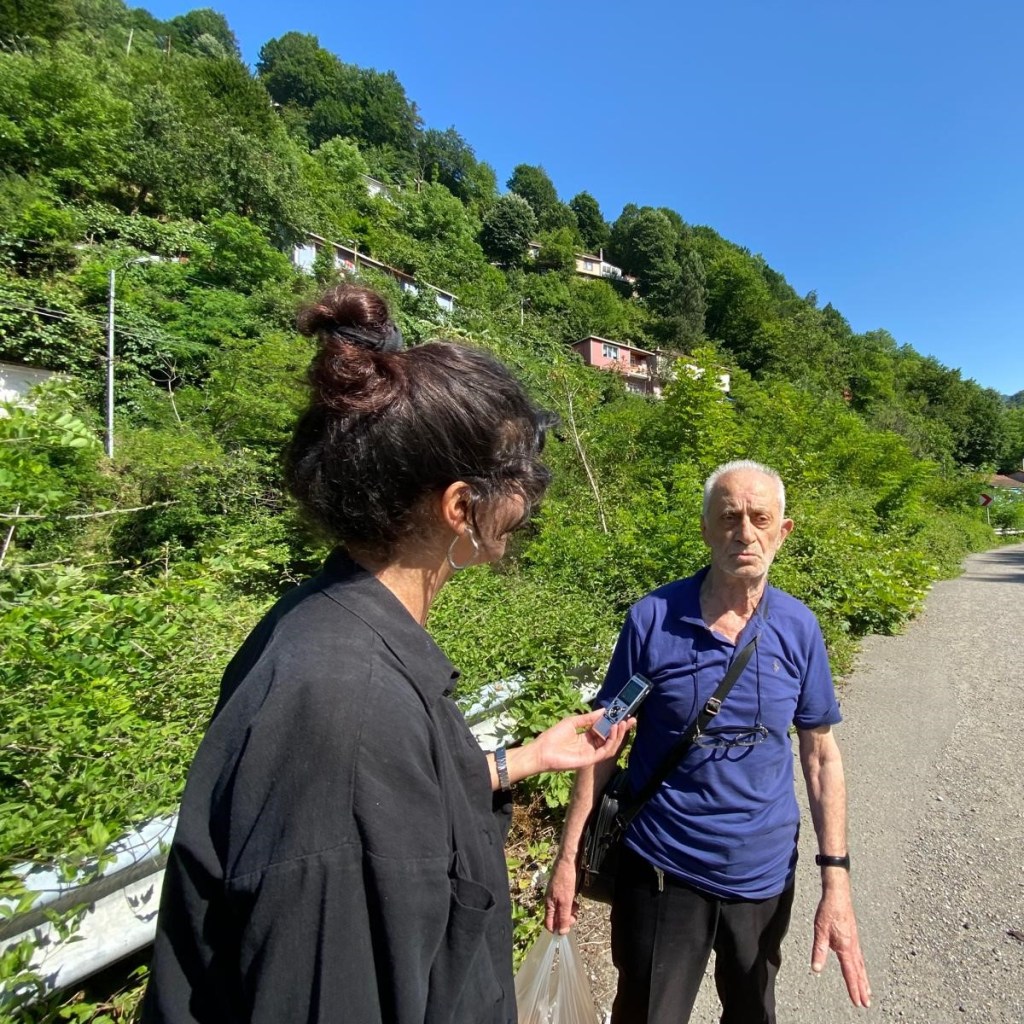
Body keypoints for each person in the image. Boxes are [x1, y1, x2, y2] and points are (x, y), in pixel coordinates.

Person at [141, 284, 633, 1024]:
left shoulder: (329, 626)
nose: (528, 503)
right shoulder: (348, 706)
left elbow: (397, 813)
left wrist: (524, 759)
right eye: (517, 485)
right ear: (460, 506)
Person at [545, 460, 871, 1024]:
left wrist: (835, 879)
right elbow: (600, 744)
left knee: (752, 1012)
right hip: (662, 866)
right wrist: (568, 858)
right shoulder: (652, 620)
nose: (745, 533)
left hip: (763, 871)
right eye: (728, 518)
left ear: (782, 532)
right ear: (705, 529)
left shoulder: (799, 628)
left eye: (760, 519)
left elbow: (820, 756)